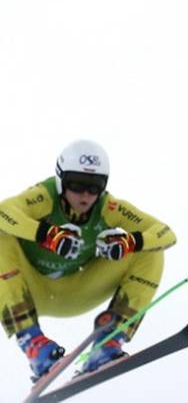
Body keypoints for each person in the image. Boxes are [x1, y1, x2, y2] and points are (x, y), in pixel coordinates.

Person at [0, 139, 176, 381]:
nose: (85, 195)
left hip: (77, 291)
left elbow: (165, 234)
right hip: (28, 290)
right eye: (76, 184)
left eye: (94, 187)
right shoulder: (44, 196)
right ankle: (34, 346)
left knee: (151, 250)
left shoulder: (109, 207)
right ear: (61, 180)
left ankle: (109, 343)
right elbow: (3, 212)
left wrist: (128, 242)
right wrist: (47, 234)